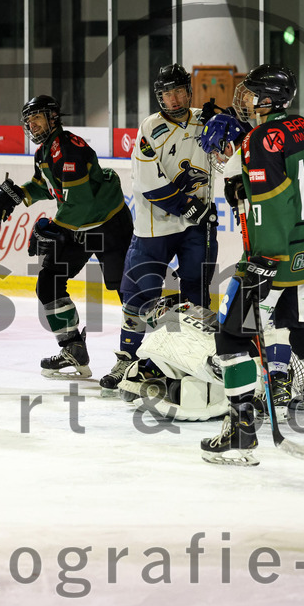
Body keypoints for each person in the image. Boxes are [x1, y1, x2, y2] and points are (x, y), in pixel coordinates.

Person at [201, 64, 304, 466]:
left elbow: (270, 203)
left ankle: (240, 433)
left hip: (276, 256)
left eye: (251, 94)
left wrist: (263, 260)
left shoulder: (260, 139)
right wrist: (240, 183)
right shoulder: (303, 127)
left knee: (231, 338)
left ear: (267, 98)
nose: (246, 100)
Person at [200, 111, 304, 410]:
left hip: (283, 240)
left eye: (218, 149)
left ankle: (271, 381)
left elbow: (267, 217)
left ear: (229, 143)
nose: (220, 157)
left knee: (253, 317)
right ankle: (303, 392)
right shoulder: (292, 134)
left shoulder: (245, 156)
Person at [0, 95, 132, 378]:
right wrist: (18, 194)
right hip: (79, 227)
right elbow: (50, 188)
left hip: (108, 224)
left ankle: (135, 357)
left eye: (38, 118)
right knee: (49, 282)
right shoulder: (44, 152)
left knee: (126, 290)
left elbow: (79, 203)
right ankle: (73, 349)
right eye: (29, 121)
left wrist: (52, 227)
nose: (33, 124)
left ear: (53, 118)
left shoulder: (67, 147)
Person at [105, 64, 218, 396]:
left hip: (196, 225)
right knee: (141, 292)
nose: (175, 98)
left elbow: (236, 142)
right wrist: (186, 205)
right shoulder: (150, 128)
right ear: (159, 97)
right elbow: (147, 183)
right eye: (168, 94)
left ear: (189, 90)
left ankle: (190, 359)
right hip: (155, 225)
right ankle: (127, 357)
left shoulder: (204, 119)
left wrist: (224, 119)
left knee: (197, 289)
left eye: (180, 91)